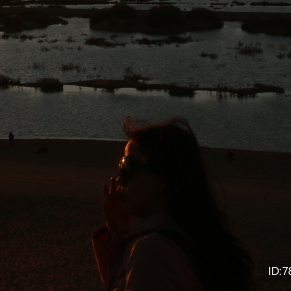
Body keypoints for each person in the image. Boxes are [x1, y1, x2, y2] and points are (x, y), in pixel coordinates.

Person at [93, 117, 253, 290]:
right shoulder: (197, 236)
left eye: (127, 167)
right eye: (121, 166)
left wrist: (119, 237)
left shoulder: (152, 250)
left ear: (163, 178)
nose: (120, 179)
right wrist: (118, 233)